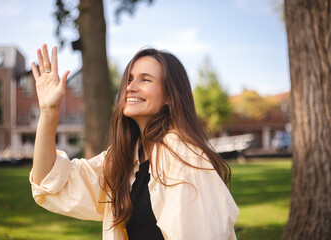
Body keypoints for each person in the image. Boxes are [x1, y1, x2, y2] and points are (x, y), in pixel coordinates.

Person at [29, 44, 239, 240]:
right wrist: (49, 113)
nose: (130, 87)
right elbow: (51, 180)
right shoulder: (126, 158)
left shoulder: (184, 157)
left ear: (170, 96)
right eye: (129, 79)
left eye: (145, 79)